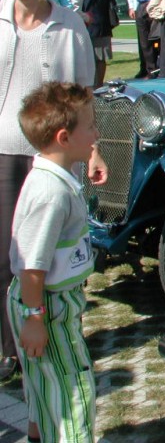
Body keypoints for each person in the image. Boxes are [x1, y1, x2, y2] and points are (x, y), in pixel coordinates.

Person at [0, 0, 107, 390]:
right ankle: (15, 347)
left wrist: (94, 151)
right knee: (9, 253)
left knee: (58, 251)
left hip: (55, 157)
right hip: (3, 150)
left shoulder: (69, 25)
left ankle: (61, 332)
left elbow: (85, 95)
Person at [9, 82, 99, 443]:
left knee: (43, 387)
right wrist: (34, 319)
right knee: (72, 390)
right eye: (91, 127)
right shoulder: (50, 194)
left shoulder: (58, 176)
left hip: (50, 303)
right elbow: (32, 264)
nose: (96, 134)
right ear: (64, 138)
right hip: (45, 306)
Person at [80, 0, 117, 86]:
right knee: (101, 59)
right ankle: (99, 85)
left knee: (85, 59)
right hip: (102, 25)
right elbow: (111, 2)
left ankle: (89, 86)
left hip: (85, 26)